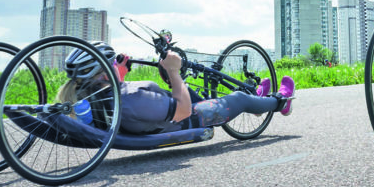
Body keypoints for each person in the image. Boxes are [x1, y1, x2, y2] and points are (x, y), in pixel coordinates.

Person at [57, 42, 294, 135]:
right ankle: (280, 101)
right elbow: (182, 111)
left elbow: (111, 85)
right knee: (239, 98)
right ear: (103, 72)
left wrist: (121, 72)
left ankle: (257, 104)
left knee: (189, 87)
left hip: (163, 114)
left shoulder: (93, 96)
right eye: (112, 64)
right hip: (190, 118)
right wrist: (172, 72)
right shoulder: (132, 98)